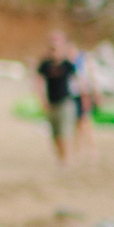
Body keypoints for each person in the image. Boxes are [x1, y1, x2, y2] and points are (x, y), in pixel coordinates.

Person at [36, 31, 76, 164]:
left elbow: (77, 81)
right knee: (55, 136)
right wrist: (42, 100)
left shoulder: (67, 64)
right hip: (51, 104)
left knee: (65, 134)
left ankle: (66, 159)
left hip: (65, 103)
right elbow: (39, 81)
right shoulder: (45, 64)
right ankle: (61, 158)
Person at [69, 40, 98, 163]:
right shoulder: (68, 61)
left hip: (84, 94)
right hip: (74, 94)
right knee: (77, 124)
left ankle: (91, 150)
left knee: (86, 122)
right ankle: (79, 150)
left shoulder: (83, 59)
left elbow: (91, 75)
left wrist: (95, 91)